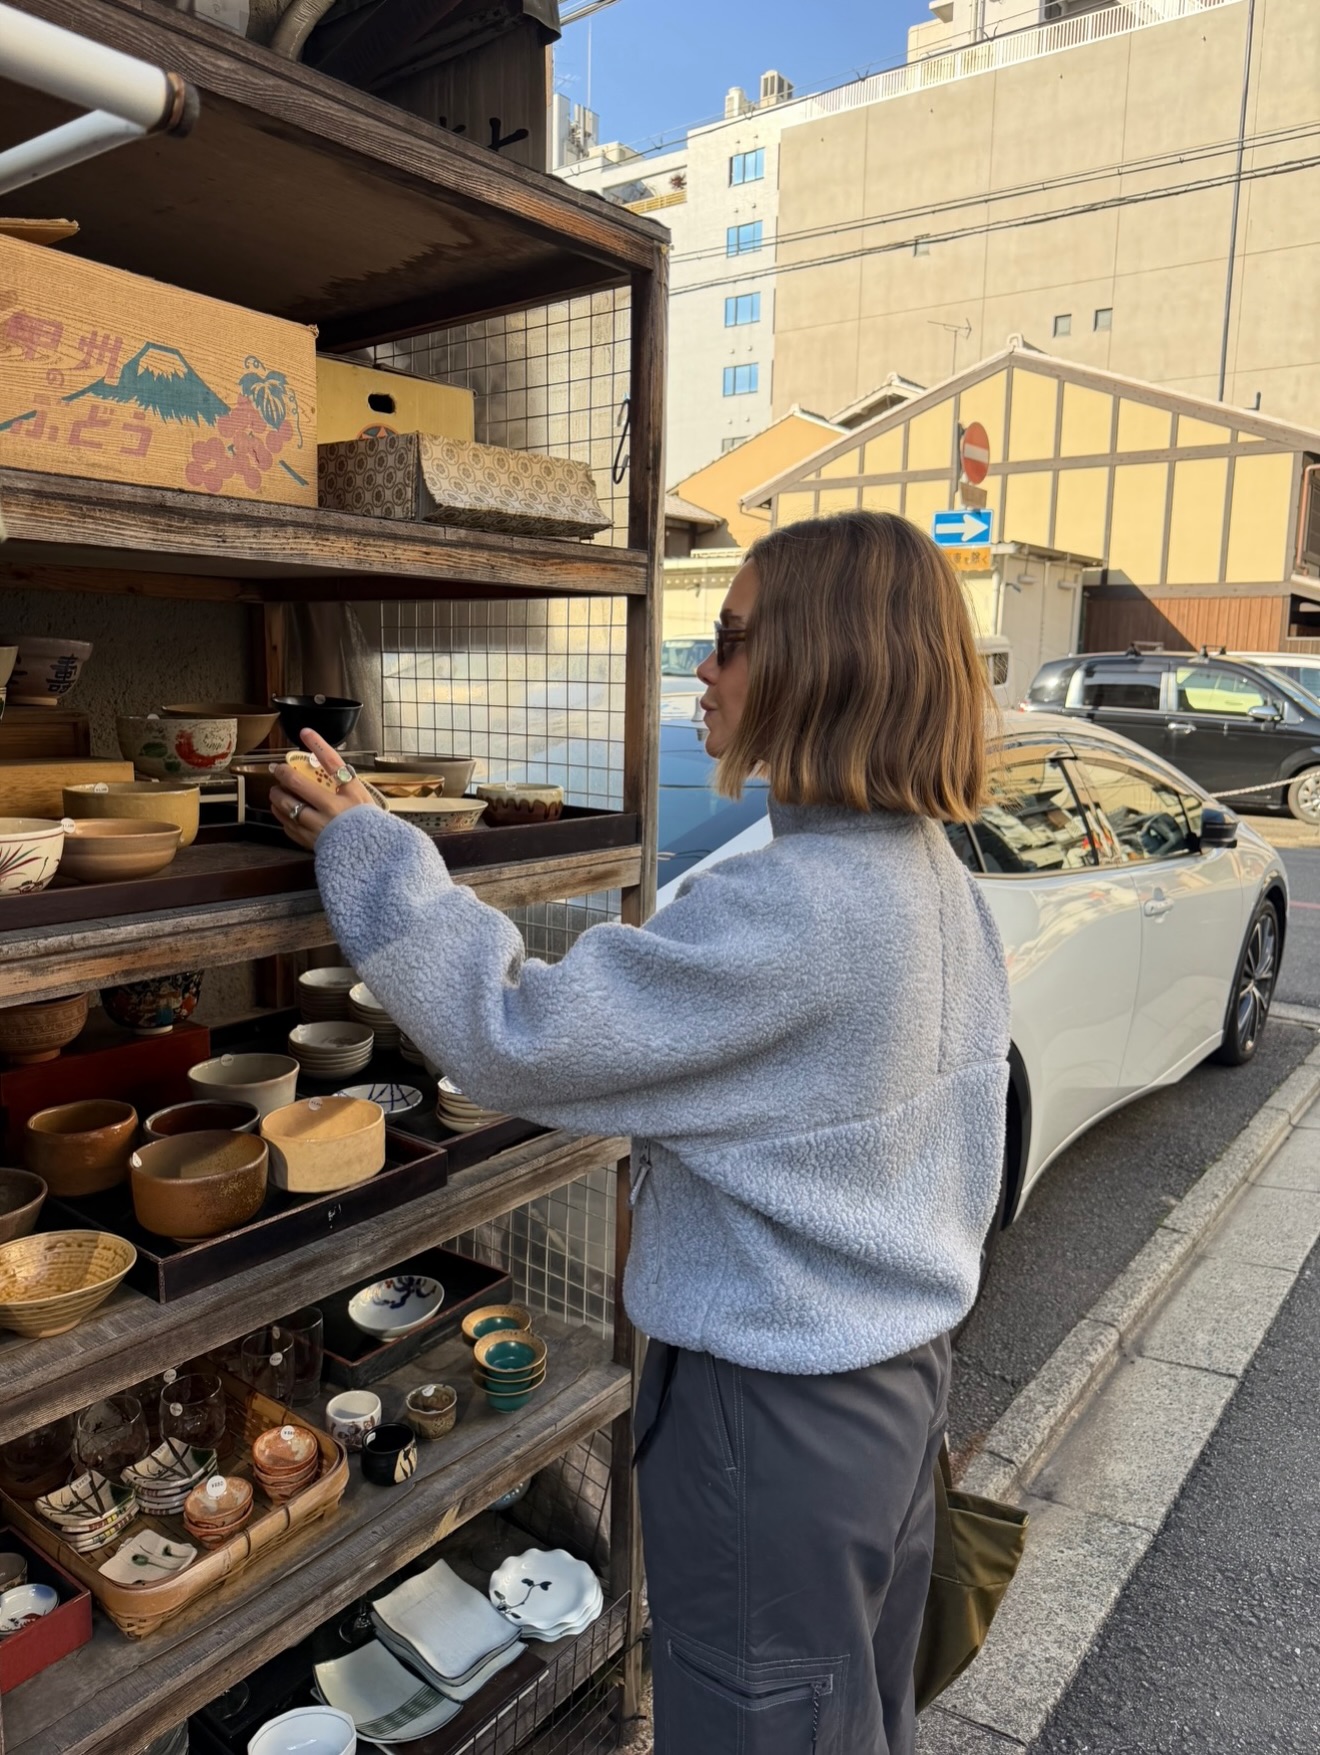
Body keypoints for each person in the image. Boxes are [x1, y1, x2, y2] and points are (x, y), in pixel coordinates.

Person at [272, 509, 1010, 1755]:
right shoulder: (935, 878)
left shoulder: (798, 911)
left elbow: (513, 1031)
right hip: (892, 1398)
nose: (703, 674)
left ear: (820, 665)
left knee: (758, 1729)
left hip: (769, 1421)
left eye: (727, 642)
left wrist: (368, 847)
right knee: (851, 1717)